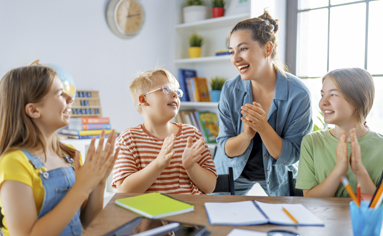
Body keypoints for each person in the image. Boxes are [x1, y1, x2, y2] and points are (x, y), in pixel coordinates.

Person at [0, 65, 119, 236]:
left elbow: (86, 222)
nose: (70, 98)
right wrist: (82, 188)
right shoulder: (14, 162)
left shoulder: (69, 155)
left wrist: (99, 181)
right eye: (60, 94)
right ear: (33, 110)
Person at [214, 11, 313, 196]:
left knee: (291, 220)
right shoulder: (230, 89)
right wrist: (246, 135)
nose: (235, 59)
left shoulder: (298, 95)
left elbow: (292, 154)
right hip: (232, 171)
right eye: (232, 51)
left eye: (243, 49)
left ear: (268, 49)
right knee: (214, 219)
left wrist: (263, 127)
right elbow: (226, 147)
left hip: (278, 174)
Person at [112, 68, 217, 194]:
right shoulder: (128, 139)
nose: (174, 95)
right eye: (166, 89)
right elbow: (124, 191)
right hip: (149, 213)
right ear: (143, 100)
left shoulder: (191, 134)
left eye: (177, 92)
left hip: (190, 212)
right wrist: (158, 164)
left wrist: (191, 167)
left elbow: (210, 187)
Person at [296, 68, 383, 197]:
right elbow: (310, 199)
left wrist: (359, 171)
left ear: (357, 101)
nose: (323, 102)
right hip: (321, 217)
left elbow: (378, 206)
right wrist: (338, 170)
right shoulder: (312, 142)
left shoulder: (380, 146)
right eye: (322, 95)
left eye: (333, 94)